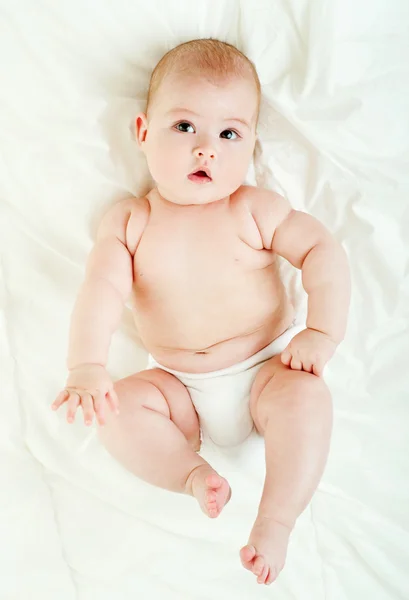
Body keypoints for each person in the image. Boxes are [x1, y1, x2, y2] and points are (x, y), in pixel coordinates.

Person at [51, 38, 350, 586]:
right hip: (177, 387)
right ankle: (191, 474)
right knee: (117, 410)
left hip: (267, 371)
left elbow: (321, 250)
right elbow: (100, 290)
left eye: (228, 133)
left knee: (308, 400)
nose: (206, 149)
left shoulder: (253, 208)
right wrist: (86, 366)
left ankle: (276, 519)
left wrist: (323, 332)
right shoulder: (130, 222)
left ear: (251, 144)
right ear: (144, 133)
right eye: (185, 127)